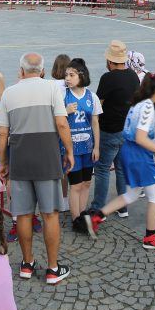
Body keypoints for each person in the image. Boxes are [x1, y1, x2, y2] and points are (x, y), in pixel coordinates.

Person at [0, 53, 73, 284]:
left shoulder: (9, 93)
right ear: (42, 70)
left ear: (21, 71)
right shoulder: (52, 89)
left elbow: (2, 133)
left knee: (23, 214)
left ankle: (27, 264)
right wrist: (69, 151)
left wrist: (3, 162)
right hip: (47, 159)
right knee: (50, 214)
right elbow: (61, 123)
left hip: (20, 159)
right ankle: (52, 268)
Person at [84, 73, 155, 249]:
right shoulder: (148, 107)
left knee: (132, 193)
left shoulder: (139, 103)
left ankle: (97, 216)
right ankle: (150, 238)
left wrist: (152, 148)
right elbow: (141, 138)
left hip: (130, 151)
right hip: (138, 155)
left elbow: (137, 136)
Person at [92, 40, 140, 213]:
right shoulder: (133, 76)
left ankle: (98, 208)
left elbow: (98, 104)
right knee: (120, 168)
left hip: (109, 129)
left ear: (110, 61)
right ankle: (122, 206)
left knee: (103, 169)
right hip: (126, 130)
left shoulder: (108, 78)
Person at [61, 59, 101, 231]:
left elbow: (95, 123)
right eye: (66, 75)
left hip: (87, 148)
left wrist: (97, 147)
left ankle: (83, 214)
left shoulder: (91, 96)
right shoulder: (62, 95)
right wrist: (65, 111)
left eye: (72, 75)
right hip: (71, 150)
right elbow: (55, 120)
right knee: (75, 185)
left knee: (86, 183)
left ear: (81, 76)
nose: (68, 78)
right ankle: (76, 219)